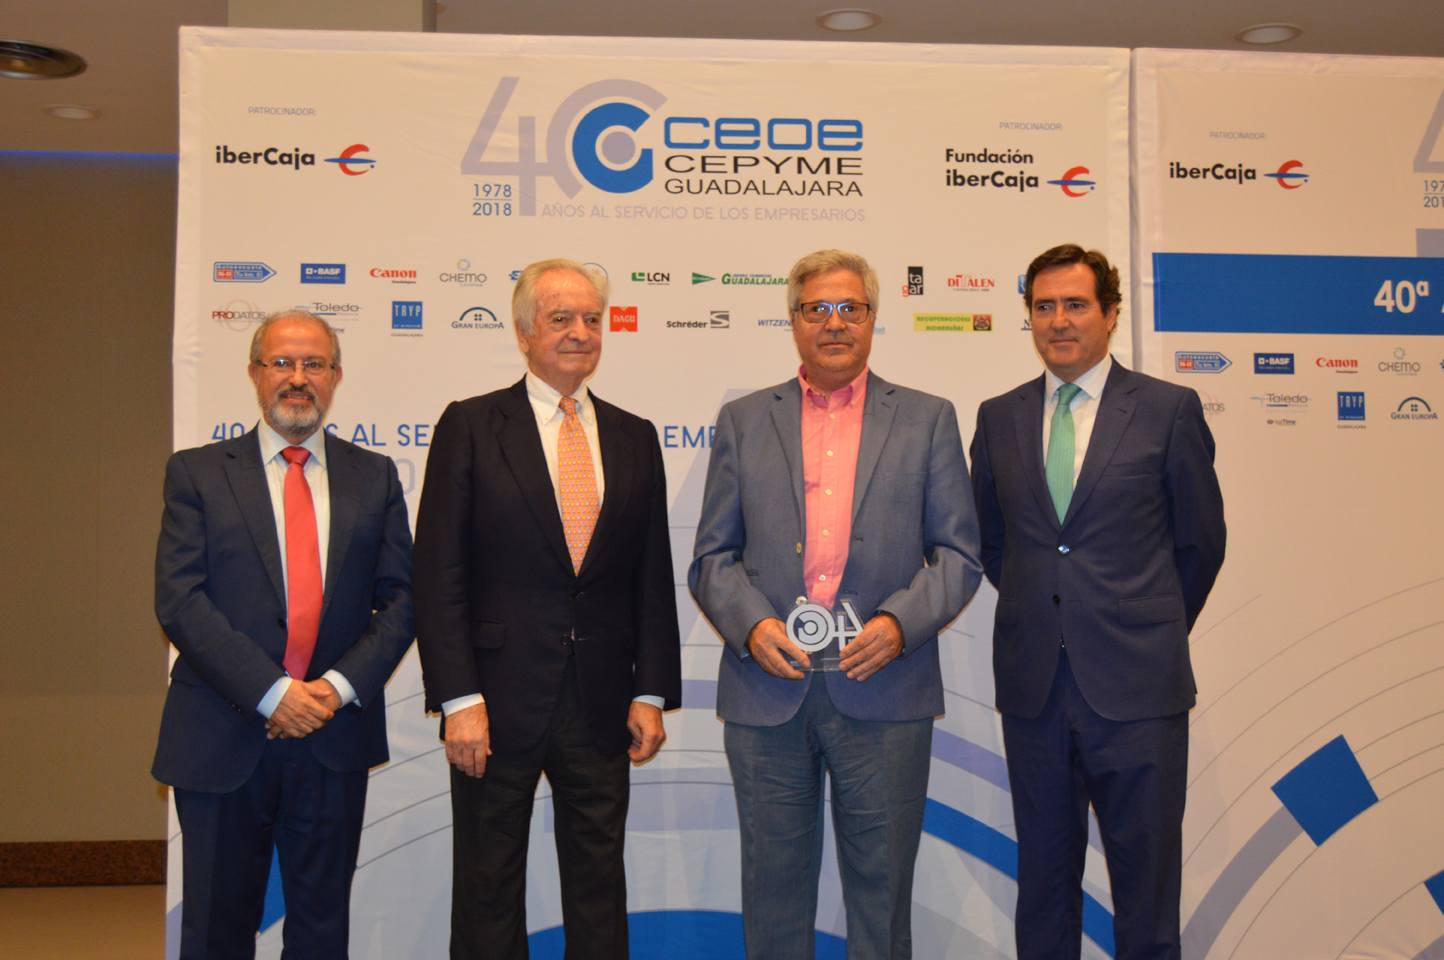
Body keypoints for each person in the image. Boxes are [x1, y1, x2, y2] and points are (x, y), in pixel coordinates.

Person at [689, 249, 982, 960]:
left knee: (882, 900)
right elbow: (711, 558)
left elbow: (959, 555)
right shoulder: (743, 420)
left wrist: (900, 624)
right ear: (792, 320)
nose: (834, 322)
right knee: (773, 897)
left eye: (850, 307)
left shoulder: (928, 418)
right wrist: (752, 625)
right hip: (769, 688)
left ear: (873, 318)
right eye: (817, 308)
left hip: (883, 685)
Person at [413, 258, 681, 960]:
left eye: (591, 319)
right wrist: (458, 699)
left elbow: (652, 577)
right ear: (525, 331)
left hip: (603, 700)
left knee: (599, 884)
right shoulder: (472, 425)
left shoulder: (634, 435)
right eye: (561, 318)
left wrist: (650, 691)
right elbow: (438, 574)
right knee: (487, 885)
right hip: (493, 702)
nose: (579, 332)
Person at [970, 244, 1226, 960]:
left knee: (1146, 893)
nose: (1059, 320)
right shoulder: (998, 417)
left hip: (1139, 689)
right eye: (1044, 306)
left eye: (1076, 304)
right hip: (1035, 689)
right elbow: (993, 542)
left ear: (1110, 314)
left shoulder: (1168, 410)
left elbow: (1200, 544)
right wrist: (1053, 613)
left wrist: (1142, 623)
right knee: (1044, 887)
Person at [153, 309, 414, 959]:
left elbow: (404, 598)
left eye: (314, 364)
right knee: (216, 930)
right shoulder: (197, 473)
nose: (298, 378)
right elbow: (180, 600)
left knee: (321, 931)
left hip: (332, 734)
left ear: (336, 377)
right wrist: (274, 693)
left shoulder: (375, 475)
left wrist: (334, 689)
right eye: (282, 363)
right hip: (221, 733)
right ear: (254, 373)